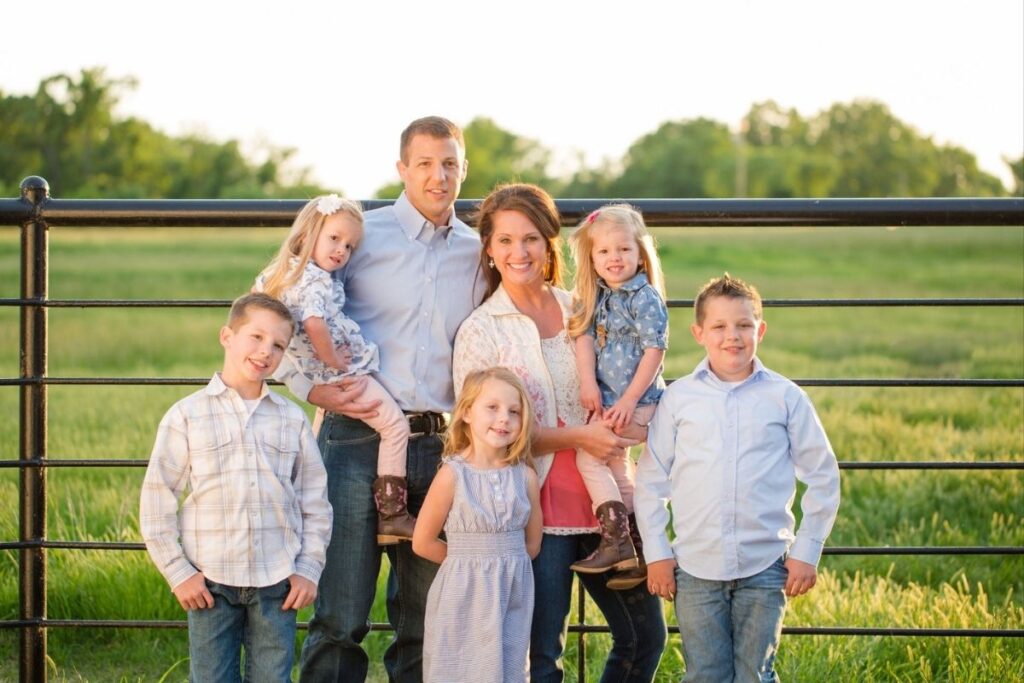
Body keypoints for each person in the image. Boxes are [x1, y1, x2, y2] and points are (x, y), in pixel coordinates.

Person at [274, 116, 485, 683]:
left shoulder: (476, 250)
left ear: (464, 169)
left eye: (449, 163)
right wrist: (308, 388)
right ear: (401, 169)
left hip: (438, 444)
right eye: (424, 163)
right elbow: (287, 305)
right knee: (340, 616)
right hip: (351, 437)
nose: (437, 176)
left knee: (423, 620)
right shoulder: (360, 236)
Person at [453, 183, 667, 683]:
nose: (518, 252)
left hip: (607, 500)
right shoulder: (482, 330)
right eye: (504, 241)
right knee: (541, 654)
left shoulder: (586, 307)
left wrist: (634, 424)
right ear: (488, 249)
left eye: (529, 238)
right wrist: (577, 439)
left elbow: (638, 368)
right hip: (535, 509)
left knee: (643, 638)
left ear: (549, 242)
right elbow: (479, 436)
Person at [635, 274, 841, 682]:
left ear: (760, 330)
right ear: (698, 333)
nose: (733, 336)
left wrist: (808, 548)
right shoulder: (679, 399)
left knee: (755, 673)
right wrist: (657, 552)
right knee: (705, 673)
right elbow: (652, 480)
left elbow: (823, 475)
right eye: (719, 327)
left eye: (744, 325)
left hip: (764, 565)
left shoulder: (785, 398)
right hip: (694, 567)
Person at [139, 292, 332, 682]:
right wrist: (179, 572)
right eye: (256, 337)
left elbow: (315, 502)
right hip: (210, 582)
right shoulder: (187, 415)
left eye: (278, 345)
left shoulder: (291, 419)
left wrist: (309, 568)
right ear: (227, 336)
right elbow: (156, 500)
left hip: (277, 583)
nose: (266, 352)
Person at [254, 193, 415, 544]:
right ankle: (392, 513)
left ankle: (301, 498)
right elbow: (313, 324)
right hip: (344, 374)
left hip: (323, 378)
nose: (341, 251)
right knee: (395, 426)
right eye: (334, 239)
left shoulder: (280, 276)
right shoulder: (313, 282)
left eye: (349, 247)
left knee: (320, 429)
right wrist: (333, 360)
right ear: (309, 232)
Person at [413, 367, 542, 683]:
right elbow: (422, 541)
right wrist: (468, 562)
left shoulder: (524, 476)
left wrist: (499, 564)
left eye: (514, 412)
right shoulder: (452, 475)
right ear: (467, 412)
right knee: (461, 668)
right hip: (463, 592)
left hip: (512, 590)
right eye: (493, 408)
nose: (504, 419)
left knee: (509, 666)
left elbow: (532, 544)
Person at [565, 204, 669, 590]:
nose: (614, 258)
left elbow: (654, 352)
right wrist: (587, 384)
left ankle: (616, 539)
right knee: (616, 466)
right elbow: (585, 339)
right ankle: (638, 545)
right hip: (610, 402)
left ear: (640, 254)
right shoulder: (600, 296)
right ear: (592, 258)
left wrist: (628, 401)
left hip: (637, 405)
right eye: (604, 251)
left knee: (588, 458)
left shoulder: (644, 298)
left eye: (623, 249)